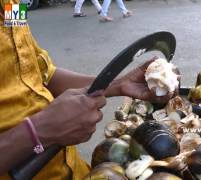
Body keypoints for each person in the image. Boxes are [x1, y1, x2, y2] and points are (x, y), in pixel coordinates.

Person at [0, 2, 175, 179]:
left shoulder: (12, 4)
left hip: (72, 168)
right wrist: (37, 133)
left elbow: (42, 73)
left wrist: (118, 84)